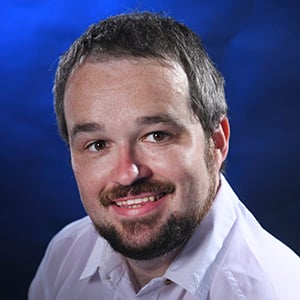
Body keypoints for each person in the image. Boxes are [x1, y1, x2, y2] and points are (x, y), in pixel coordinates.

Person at [29, 12, 300, 300]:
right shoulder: (65, 255)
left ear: (217, 141)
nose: (126, 173)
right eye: (97, 144)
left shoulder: (271, 290)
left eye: (157, 135)